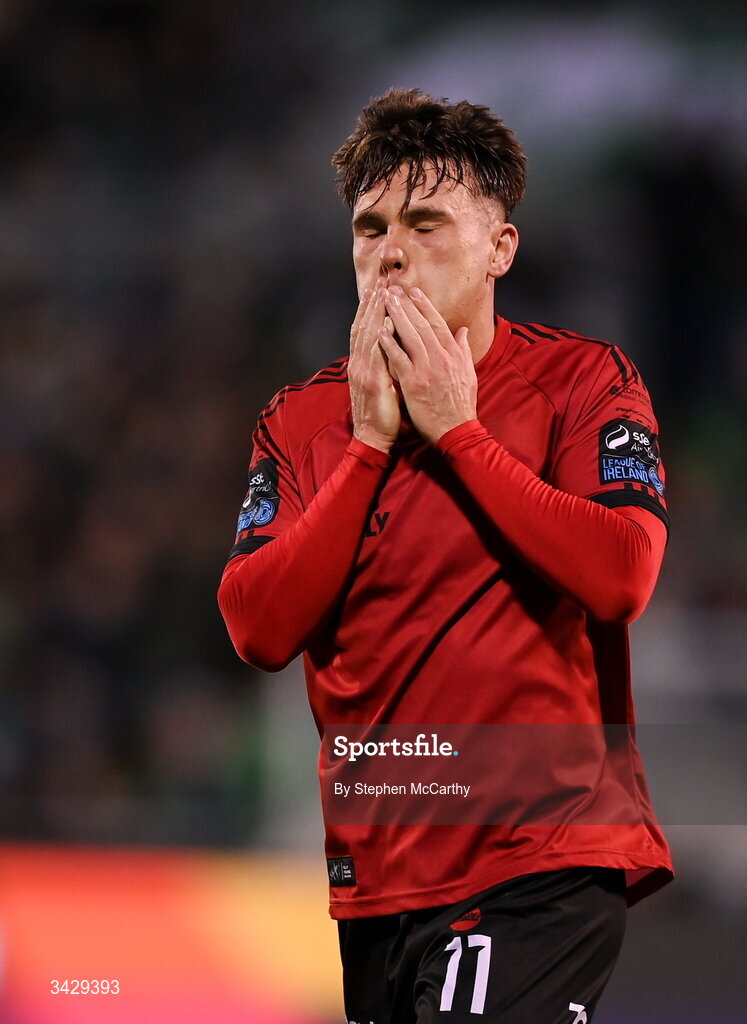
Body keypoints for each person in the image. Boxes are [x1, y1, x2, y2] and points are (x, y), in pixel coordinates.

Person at [218, 88, 673, 1023]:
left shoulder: (581, 380)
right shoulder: (300, 421)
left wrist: (460, 434)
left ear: (500, 248)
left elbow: (622, 575)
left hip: (537, 862)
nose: (390, 251)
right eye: (371, 227)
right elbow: (257, 628)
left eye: (426, 223)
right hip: (375, 883)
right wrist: (368, 447)